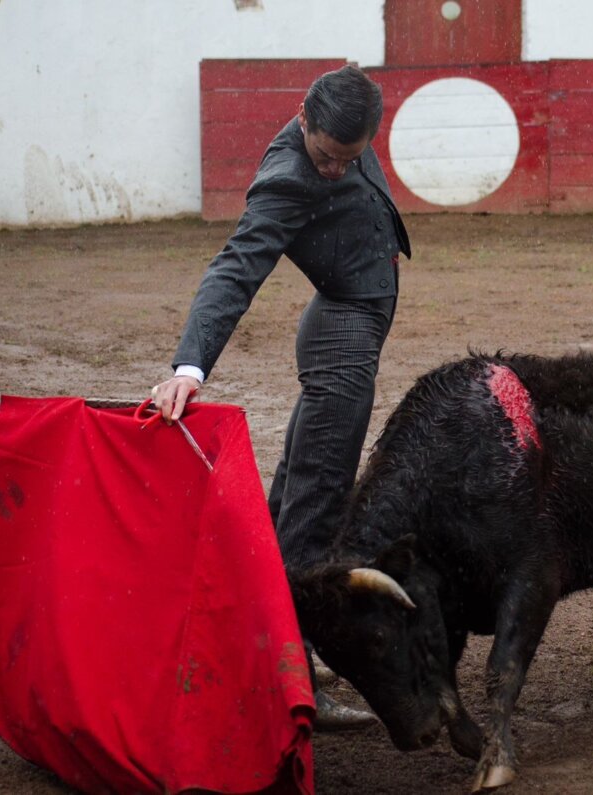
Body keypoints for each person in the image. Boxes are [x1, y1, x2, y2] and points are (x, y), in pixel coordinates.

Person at [150, 64, 410, 729]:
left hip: (348, 324)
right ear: (302, 119)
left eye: (345, 160)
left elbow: (350, 101)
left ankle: (260, 644)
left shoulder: (348, 111)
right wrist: (190, 366)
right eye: (325, 156)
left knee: (297, 492)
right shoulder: (287, 178)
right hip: (342, 338)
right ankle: (290, 684)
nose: (331, 169)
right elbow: (235, 266)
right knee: (316, 510)